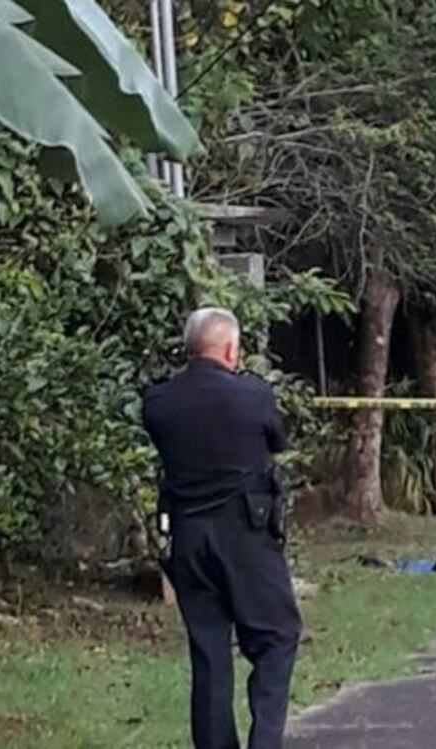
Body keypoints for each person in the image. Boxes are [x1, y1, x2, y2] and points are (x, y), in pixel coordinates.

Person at [142, 307, 302, 749]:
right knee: (276, 637)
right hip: (245, 534)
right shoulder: (252, 395)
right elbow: (277, 440)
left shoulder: (158, 402)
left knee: (210, 652)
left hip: (188, 538)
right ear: (231, 349)